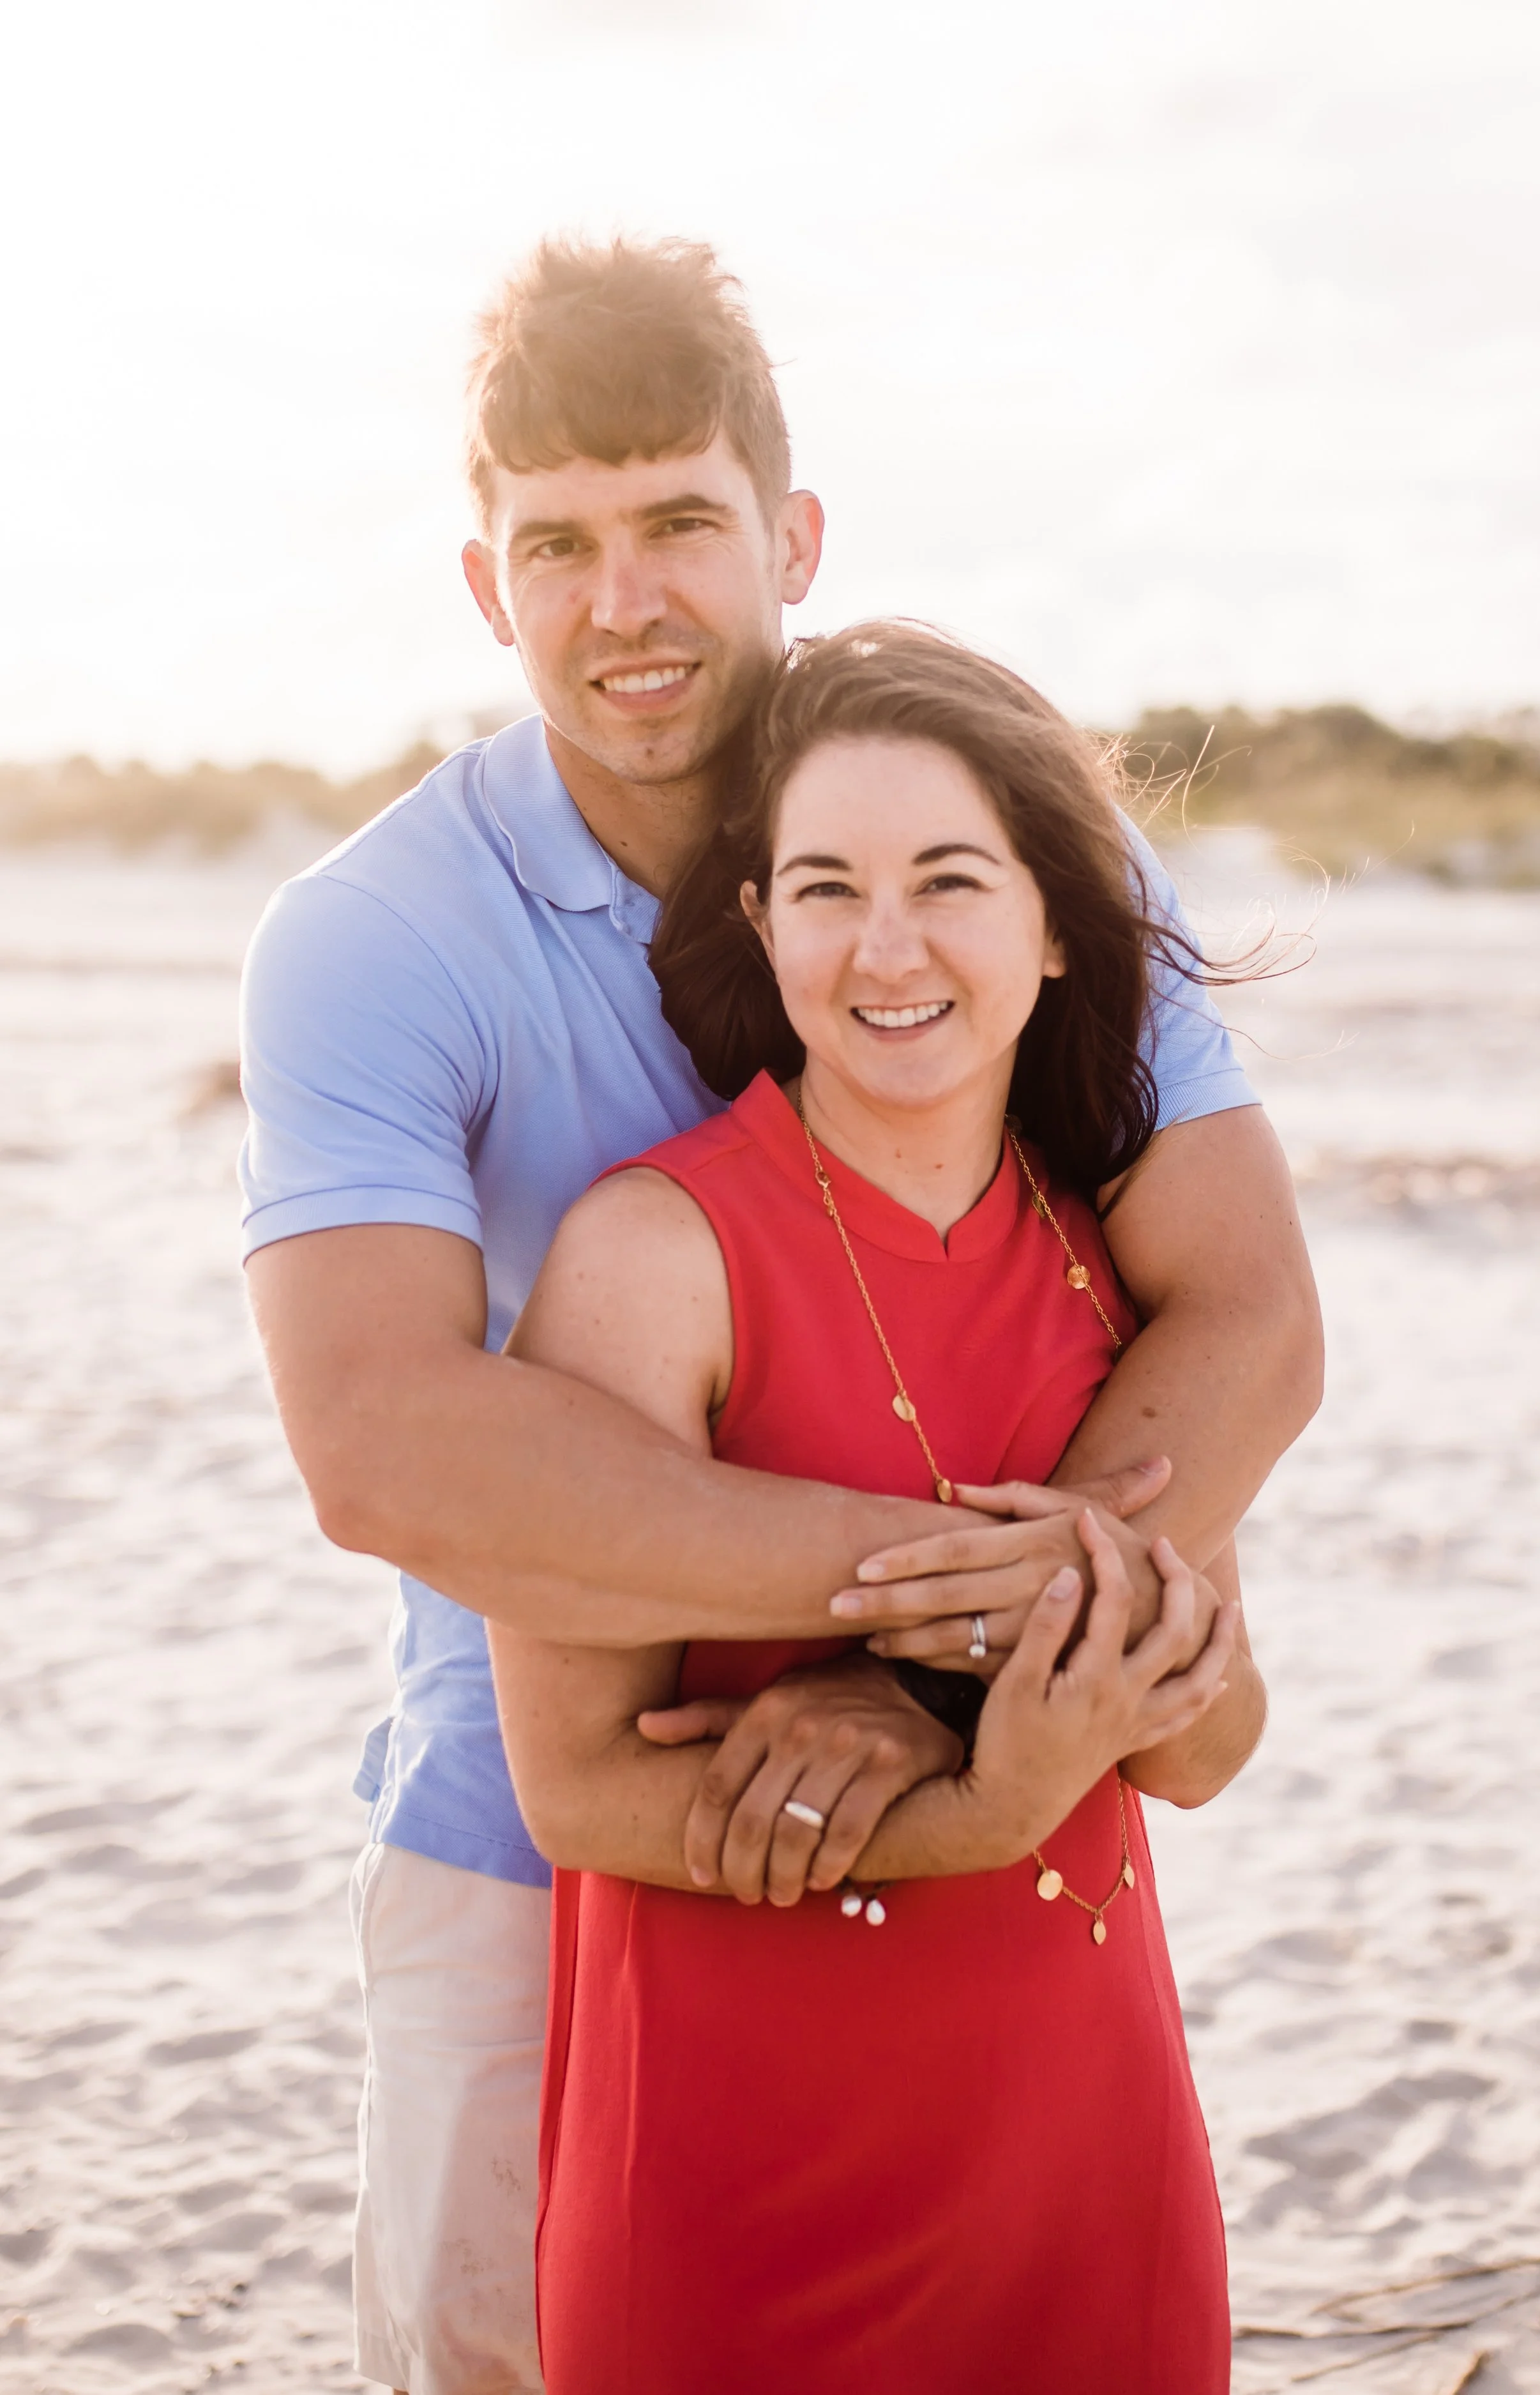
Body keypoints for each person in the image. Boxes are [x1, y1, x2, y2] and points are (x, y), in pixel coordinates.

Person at [239, 239, 1321, 2394]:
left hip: (988, 1832)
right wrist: (927, 1619)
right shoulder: (371, 937)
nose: (620, 600)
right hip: (538, 1840)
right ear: (486, 584)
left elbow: (1251, 1309)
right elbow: (381, 1447)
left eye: (676, 525)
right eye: (555, 544)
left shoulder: (1002, 841)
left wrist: (950, 1689)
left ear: (789, 535)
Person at [490, 621, 1265, 2393]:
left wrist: (1110, 1638)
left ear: (1051, 923)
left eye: (948, 880)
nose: (888, 945)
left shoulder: (1115, 1268)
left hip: (1083, 2155)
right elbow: (578, 1781)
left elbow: (1208, 1749)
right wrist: (984, 1798)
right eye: (827, 886)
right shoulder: (649, 1255)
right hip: (731, 2179)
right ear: (761, 927)